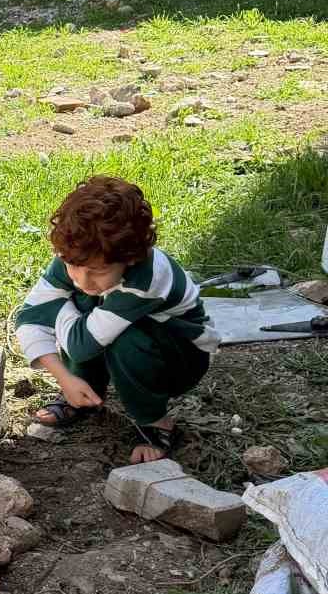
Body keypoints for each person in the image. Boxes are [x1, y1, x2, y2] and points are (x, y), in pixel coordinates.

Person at [15, 176, 219, 463]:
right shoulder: (79, 255)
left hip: (181, 356)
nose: (82, 278)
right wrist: (66, 378)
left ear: (131, 258)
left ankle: (156, 421)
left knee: (123, 337)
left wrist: (54, 309)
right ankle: (83, 393)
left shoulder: (147, 279)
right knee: (85, 302)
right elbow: (27, 319)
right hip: (112, 331)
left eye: (97, 271)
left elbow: (79, 345)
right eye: (72, 265)